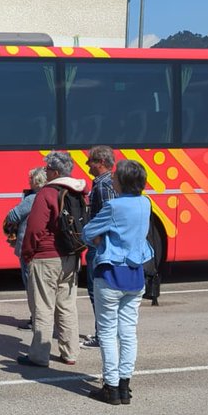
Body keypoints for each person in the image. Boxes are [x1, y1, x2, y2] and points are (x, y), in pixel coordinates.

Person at [81, 160, 154, 405]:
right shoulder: (146, 203)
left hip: (111, 273)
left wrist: (101, 242)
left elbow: (88, 232)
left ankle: (110, 386)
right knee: (128, 332)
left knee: (108, 332)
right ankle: (124, 385)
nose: (112, 180)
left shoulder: (113, 206)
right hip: (135, 274)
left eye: (115, 178)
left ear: (122, 182)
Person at [18, 150, 88, 368]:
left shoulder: (46, 193)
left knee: (43, 307)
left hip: (46, 257)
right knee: (67, 306)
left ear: (55, 171)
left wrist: (27, 254)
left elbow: (34, 229)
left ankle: (39, 356)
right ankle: (70, 352)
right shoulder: (79, 191)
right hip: (71, 256)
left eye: (47, 168)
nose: (45, 171)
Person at [81, 146, 116, 349]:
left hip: (100, 246)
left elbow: (108, 217)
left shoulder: (103, 186)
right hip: (100, 244)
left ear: (100, 162)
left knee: (97, 291)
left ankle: (102, 335)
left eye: (90, 162)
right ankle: (103, 333)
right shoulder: (106, 183)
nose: (88, 166)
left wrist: (96, 240)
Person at [4, 166, 47, 329]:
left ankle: (36, 319)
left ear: (36, 181)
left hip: (28, 248)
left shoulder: (31, 199)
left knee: (31, 285)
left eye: (30, 179)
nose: (28, 181)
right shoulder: (50, 196)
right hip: (44, 249)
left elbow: (13, 215)